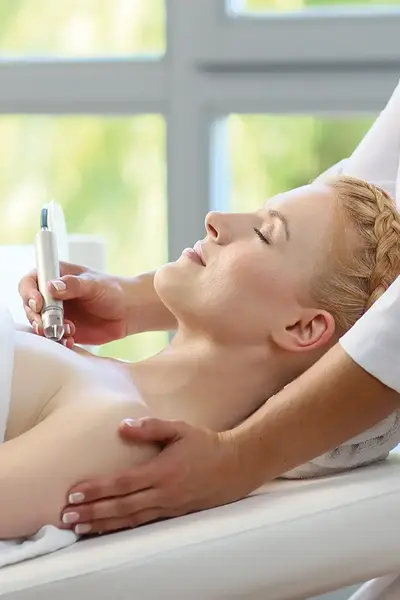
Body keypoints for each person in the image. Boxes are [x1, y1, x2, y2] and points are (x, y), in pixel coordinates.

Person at [13, 173, 400, 539]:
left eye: (264, 234)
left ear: (303, 328)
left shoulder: (124, 428)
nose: (216, 219)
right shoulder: (90, 373)